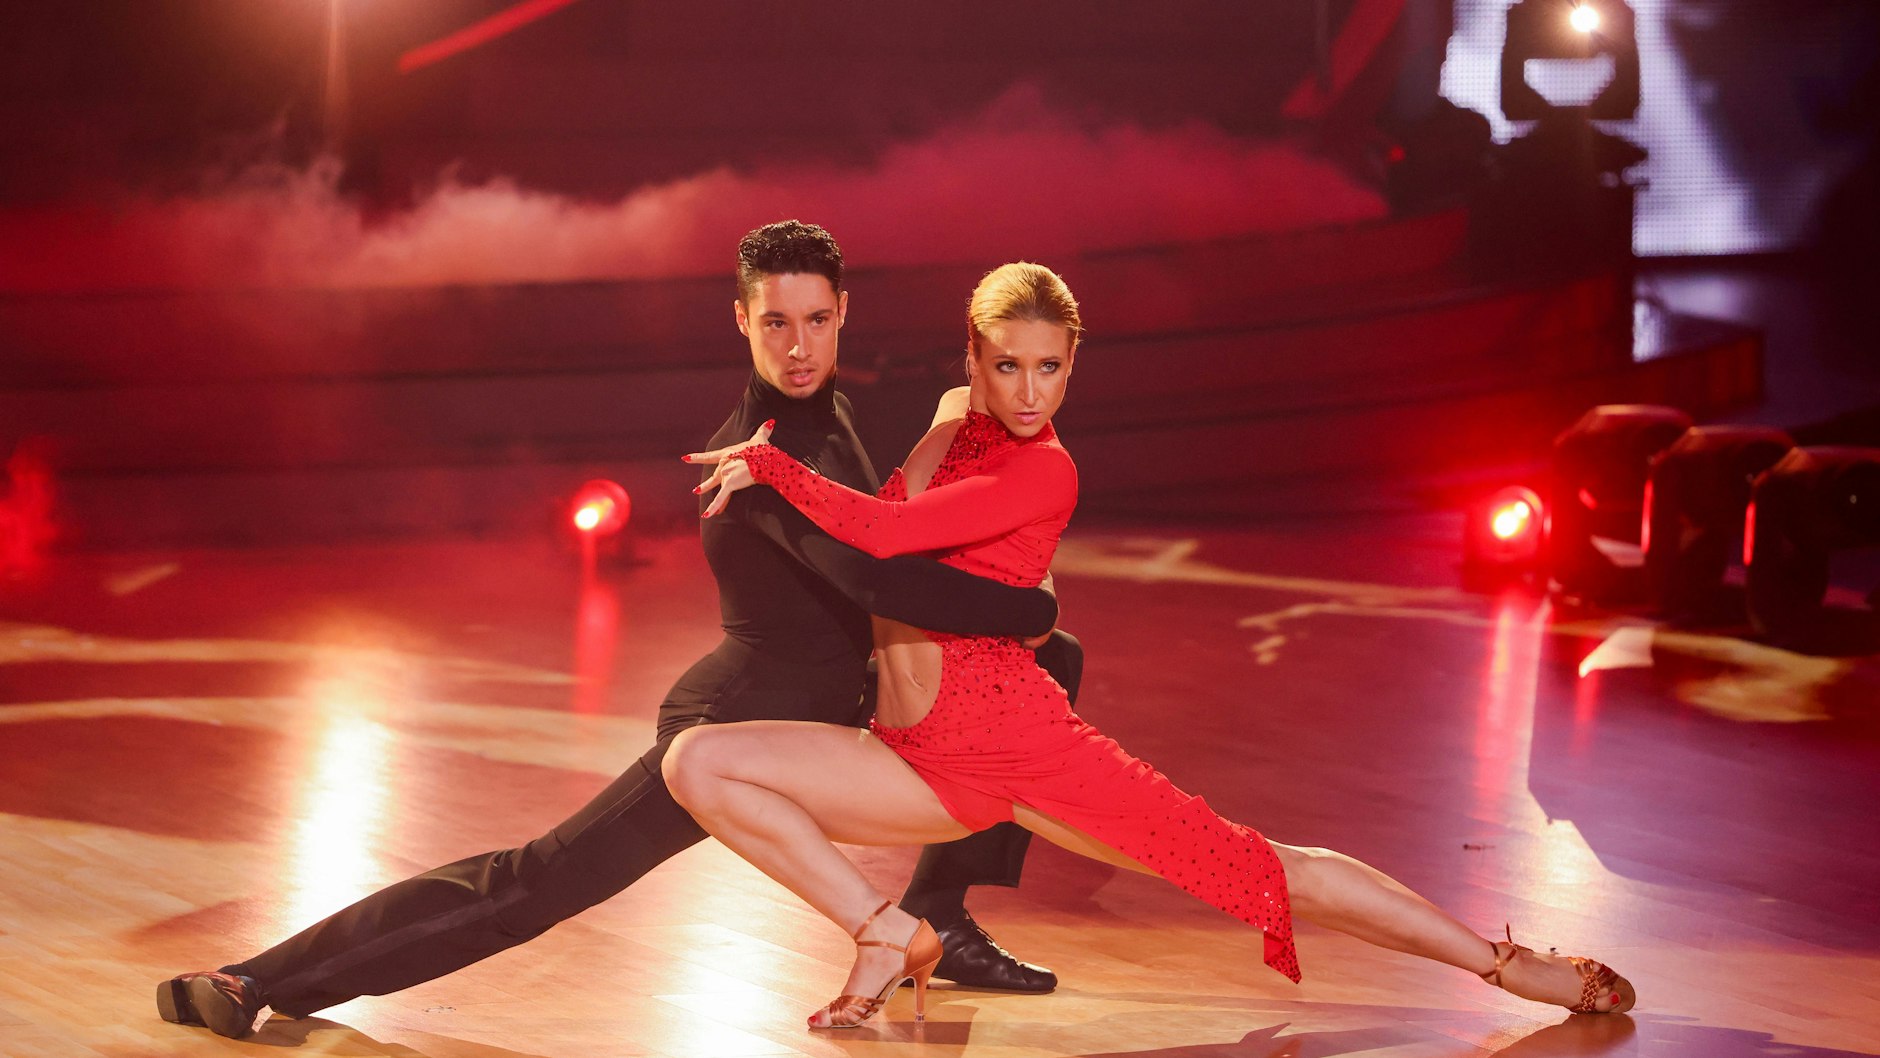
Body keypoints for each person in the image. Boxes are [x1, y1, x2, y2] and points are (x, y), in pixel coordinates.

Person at [154, 221, 1070, 1040]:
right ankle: (257, 979)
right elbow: (872, 577)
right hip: (730, 731)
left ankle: (939, 916)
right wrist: (1026, 607)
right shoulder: (763, 457)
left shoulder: (826, 410)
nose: (797, 347)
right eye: (774, 325)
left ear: (843, 315)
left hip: (825, 711)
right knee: (532, 884)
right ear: (740, 322)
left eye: (817, 321)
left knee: (1048, 670)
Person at [664, 261, 1637, 1030]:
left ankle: (1507, 963)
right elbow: (882, 538)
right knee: (700, 761)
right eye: (1007, 363)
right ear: (972, 354)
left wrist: (768, 465)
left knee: (1262, 869)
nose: (1029, 388)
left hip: (1016, 744)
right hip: (916, 757)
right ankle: (885, 931)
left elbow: (876, 541)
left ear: (1072, 364)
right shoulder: (950, 422)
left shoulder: (1046, 471)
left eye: (1049, 367)